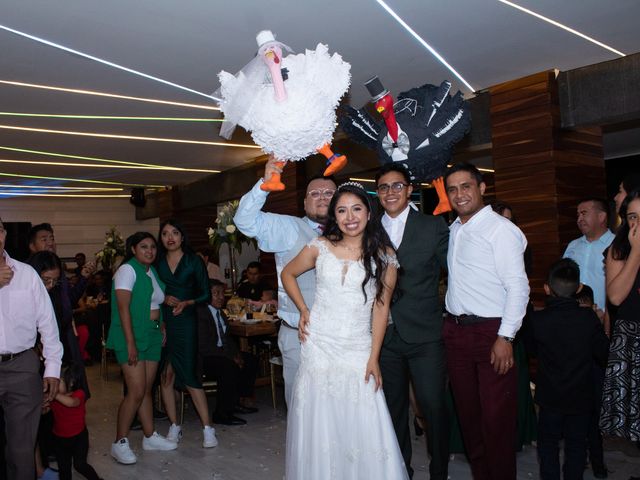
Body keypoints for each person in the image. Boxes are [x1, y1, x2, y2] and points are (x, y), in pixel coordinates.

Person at [281, 181, 408, 479]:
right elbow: (288, 273)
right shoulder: (320, 247)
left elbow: (381, 309)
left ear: (368, 212)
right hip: (319, 342)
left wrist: (374, 357)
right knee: (320, 415)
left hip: (357, 346)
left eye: (356, 209)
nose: (350, 217)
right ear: (334, 217)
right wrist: (303, 309)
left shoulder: (384, 254)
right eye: (341, 210)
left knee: (362, 415)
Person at [443, 163, 530, 480]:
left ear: (481, 188)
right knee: (469, 417)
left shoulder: (500, 229)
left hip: (491, 332)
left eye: (466, 186)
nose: (459, 194)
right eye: (452, 189)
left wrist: (506, 337)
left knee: (496, 419)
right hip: (455, 332)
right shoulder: (455, 228)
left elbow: (519, 287)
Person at [234, 156, 337, 408]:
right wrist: (263, 185)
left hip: (340, 338)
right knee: (303, 409)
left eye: (329, 193)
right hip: (300, 337)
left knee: (337, 409)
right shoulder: (289, 227)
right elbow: (244, 221)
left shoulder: (351, 232)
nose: (322, 197)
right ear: (304, 202)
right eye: (315, 193)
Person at [374, 162, 450, 479]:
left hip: (426, 334)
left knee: (433, 405)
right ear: (376, 194)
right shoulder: (368, 229)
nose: (390, 192)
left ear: (408, 190)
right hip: (385, 335)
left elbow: (455, 271)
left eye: (396, 186)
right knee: (392, 410)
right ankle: (401, 469)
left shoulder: (433, 226)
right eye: (383, 187)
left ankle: (439, 470)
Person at [525, 258, 609, 480]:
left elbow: (530, 350)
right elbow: (603, 353)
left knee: (548, 445)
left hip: (550, 396)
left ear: (546, 288)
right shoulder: (588, 318)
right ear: (579, 288)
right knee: (577, 446)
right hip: (581, 396)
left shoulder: (538, 319)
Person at [0, 216, 63, 480]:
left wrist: (52, 368)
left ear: (3, 233)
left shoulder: (26, 274)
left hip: (22, 366)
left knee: (22, 448)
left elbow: (47, 323)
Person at [107, 232, 177, 464]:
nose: (150, 251)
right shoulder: (128, 270)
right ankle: (120, 442)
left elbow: (154, 301)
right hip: (132, 334)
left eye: (153, 247)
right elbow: (123, 309)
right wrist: (130, 344)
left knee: (147, 389)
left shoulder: (151, 271)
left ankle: (149, 436)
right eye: (144, 247)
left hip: (152, 333)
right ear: (133, 249)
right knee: (136, 391)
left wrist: (162, 325)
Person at [155, 219, 216, 447]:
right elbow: (152, 292)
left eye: (175, 232)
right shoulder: (158, 262)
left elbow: (206, 295)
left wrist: (188, 302)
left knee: (189, 375)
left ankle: (208, 428)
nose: (170, 237)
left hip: (186, 321)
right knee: (166, 376)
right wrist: (163, 299)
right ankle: (174, 425)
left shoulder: (193, 261)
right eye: (165, 233)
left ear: (182, 236)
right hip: (164, 321)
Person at [600, 189, 640, 445]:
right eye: (633, 217)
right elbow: (615, 297)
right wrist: (636, 252)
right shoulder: (620, 248)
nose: (637, 223)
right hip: (632, 339)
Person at [196, 280, 258, 425]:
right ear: (206, 295)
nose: (220, 297)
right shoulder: (201, 314)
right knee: (228, 367)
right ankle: (221, 414)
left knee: (250, 360)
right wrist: (231, 357)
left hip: (221, 352)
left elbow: (228, 339)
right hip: (205, 357)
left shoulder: (221, 314)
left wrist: (236, 354)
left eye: (222, 293)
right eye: (215, 293)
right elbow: (204, 345)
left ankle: (236, 401)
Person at [564, 198, 615, 321]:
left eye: (584, 213)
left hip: (607, 318)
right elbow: (563, 280)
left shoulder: (617, 244)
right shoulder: (573, 246)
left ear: (601, 216)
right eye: (578, 215)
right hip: (573, 317)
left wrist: (607, 315)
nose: (579, 219)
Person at [50, 364, 103, 480]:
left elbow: (71, 403)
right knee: (64, 469)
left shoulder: (79, 393)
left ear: (72, 382)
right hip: (59, 439)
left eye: (58, 381)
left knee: (80, 465)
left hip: (79, 437)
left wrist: (54, 395)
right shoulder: (54, 398)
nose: (54, 384)